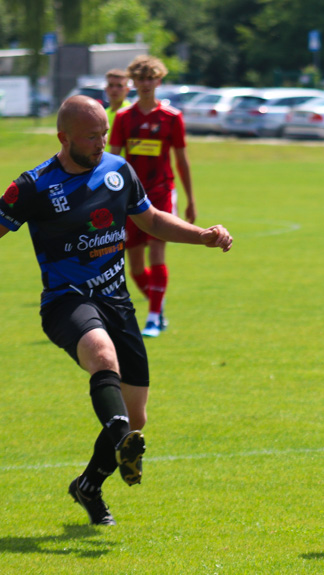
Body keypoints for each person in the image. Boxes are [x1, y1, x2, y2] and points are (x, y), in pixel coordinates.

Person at [0, 95, 232, 525]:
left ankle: (88, 485)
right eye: (91, 136)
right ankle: (119, 436)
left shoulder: (117, 171)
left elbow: (152, 220)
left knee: (137, 415)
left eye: (104, 132)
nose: (101, 142)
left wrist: (201, 235)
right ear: (62, 137)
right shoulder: (33, 186)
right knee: (102, 359)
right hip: (66, 302)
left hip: (117, 302)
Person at [110, 55, 196, 338]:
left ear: (159, 81)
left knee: (157, 254)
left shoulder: (172, 118)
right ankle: (159, 303)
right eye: (140, 78)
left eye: (151, 78)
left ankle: (153, 316)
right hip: (130, 198)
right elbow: (113, 160)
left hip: (161, 193)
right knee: (135, 267)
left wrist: (190, 199)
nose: (146, 83)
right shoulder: (124, 118)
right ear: (132, 83)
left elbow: (182, 161)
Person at [104, 69, 131, 140]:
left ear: (127, 90)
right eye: (111, 85)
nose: (114, 89)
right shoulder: (104, 114)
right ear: (106, 89)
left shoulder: (131, 113)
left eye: (119, 86)